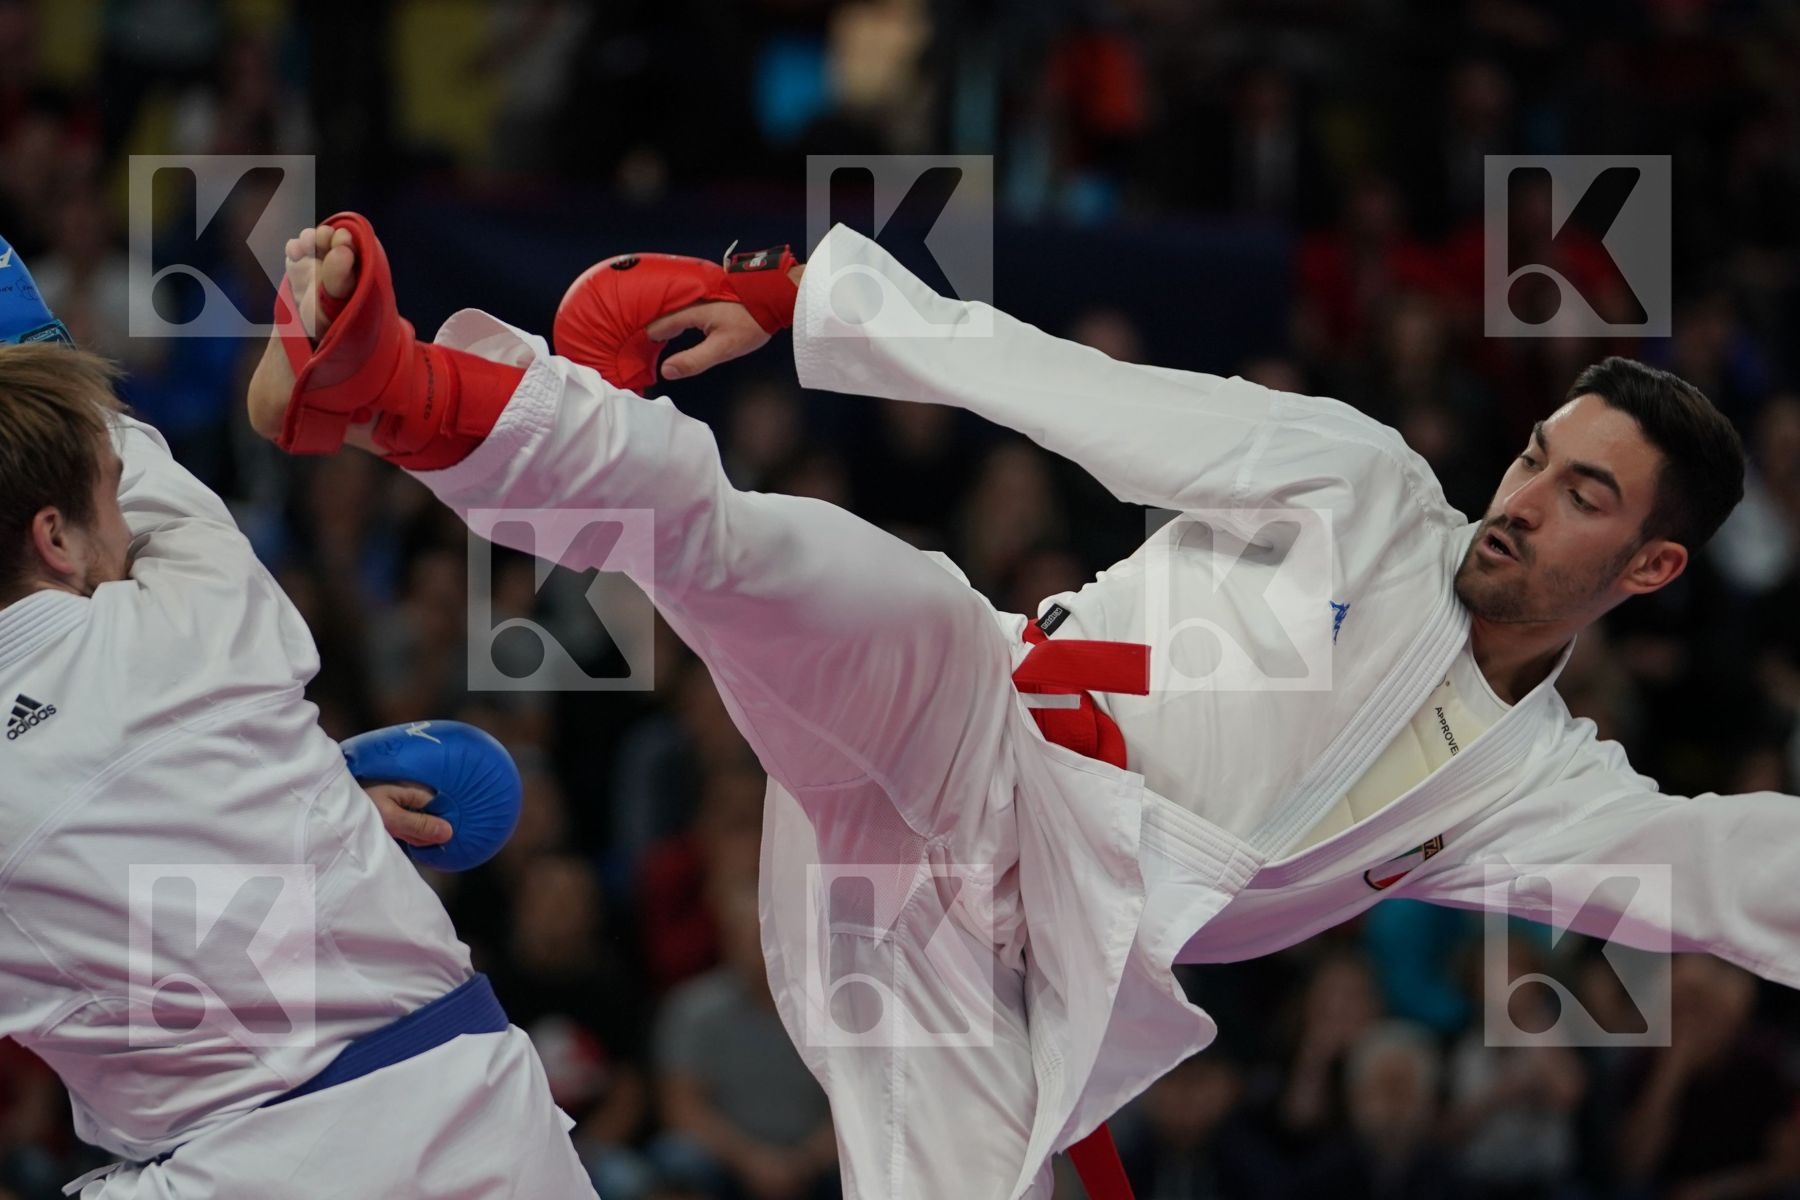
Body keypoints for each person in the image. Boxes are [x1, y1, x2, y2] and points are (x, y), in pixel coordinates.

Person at [252, 214, 1777, 1200]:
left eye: (1581, 500)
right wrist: (786, 297)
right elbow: (1077, 391)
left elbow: (1739, 870)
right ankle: (395, 390)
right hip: (979, 719)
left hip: (991, 971)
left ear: (1646, 566)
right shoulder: (1367, 488)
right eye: (1532, 458)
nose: (1519, 504)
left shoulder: (1544, 793)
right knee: (755, 551)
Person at [0, 235, 595, 1198]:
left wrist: (292, 798)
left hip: (233, 1168)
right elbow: (87, 426)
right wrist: (288, 800)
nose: (127, 520)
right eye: (109, 507)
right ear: (54, 536)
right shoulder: (201, 599)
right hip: (480, 1122)